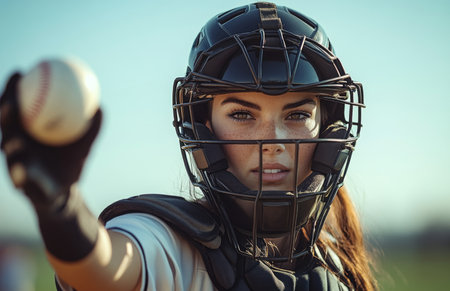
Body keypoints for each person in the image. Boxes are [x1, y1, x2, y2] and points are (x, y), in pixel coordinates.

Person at [0, 2, 376, 290]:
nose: (273, 142)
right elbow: (102, 269)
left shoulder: (333, 259)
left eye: (296, 115)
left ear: (330, 131)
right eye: (243, 115)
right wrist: (60, 209)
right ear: (203, 130)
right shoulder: (170, 245)